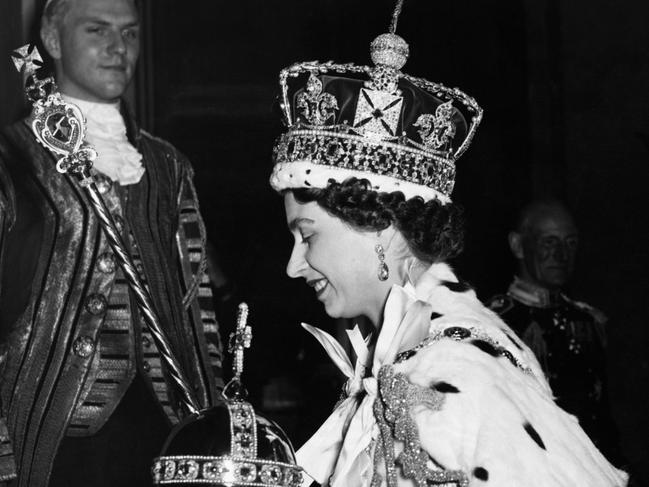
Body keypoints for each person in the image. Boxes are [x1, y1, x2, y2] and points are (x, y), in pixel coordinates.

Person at [267, 5, 628, 486]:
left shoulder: (450, 370)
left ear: (381, 227)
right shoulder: (417, 352)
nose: (295, 266)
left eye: (307, 235)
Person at [0, 0, 224, 485]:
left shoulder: (169, 166)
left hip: (166, 431)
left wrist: (213, 425)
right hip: (47, 435)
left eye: (130, 34)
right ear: (54, 41)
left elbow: (198, 313)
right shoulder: (9, 159)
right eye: (97, 30)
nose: (117, 48)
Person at [488, 199, 624, 465]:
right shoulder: (495, 323)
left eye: (570, 243)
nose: (561, 255)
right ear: (517, 245)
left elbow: (603, 418)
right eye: (549, 241)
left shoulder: (588, 321)